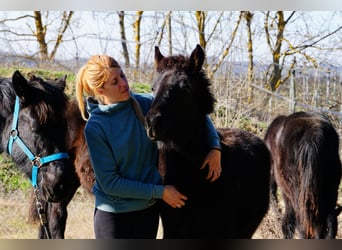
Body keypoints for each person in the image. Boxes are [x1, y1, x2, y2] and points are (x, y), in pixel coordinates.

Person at [75, 55, 222, 239]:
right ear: (100, 90)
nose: (124, 83)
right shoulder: (96, 127)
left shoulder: (144, 105)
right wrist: (160, 192)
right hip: (114, 218)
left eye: (122, 75)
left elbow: (192, 110)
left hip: (147, 213)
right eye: (115, 82)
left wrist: (215, 147)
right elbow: (110, 183)